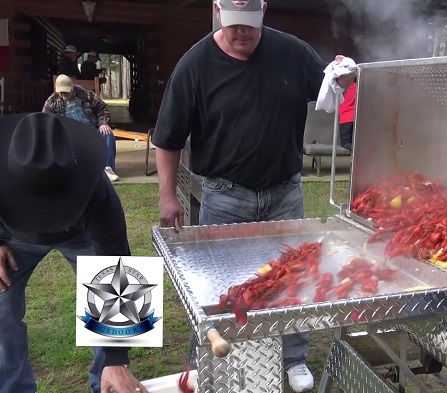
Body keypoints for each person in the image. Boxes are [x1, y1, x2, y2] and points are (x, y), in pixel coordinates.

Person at [151, 0, 354, 391]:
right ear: (217, 12)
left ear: (263, 12)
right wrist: (167, 196)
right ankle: (206, 360)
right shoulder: (195, 65)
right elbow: (168, 138)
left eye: (250, 25)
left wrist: (341, 75)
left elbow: (333, 84)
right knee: (217, 285)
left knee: (294, 279)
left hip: (284, 193)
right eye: (233, 26)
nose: (241, 32)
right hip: (225, 197)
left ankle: (293, 358)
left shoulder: (292, 51)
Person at [0, 112, 147, 393]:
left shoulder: (97, 193)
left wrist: (117, 359)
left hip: (80, 235)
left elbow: (117, 269)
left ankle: (106, 382)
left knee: (106, 297)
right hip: (11, 237)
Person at [43, 74, 120, 182]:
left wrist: (103, 123)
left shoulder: (86, 94)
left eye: (66, 91)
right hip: (68, 135)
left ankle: (107, 169)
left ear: (72, 87)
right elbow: (45, 121)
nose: (63, 94)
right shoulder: (51, 102)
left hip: (90, 130)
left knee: (107, 133)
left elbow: (102, 108)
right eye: (61, 92)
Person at [338, 78, 357, 151]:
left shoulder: (346, 87)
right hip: (356, 118)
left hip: (346, 118)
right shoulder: (359, 87)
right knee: (354, 142)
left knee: (346, 144)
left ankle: (358, 150)